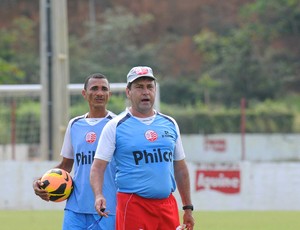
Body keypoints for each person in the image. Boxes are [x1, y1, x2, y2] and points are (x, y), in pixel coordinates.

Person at [90, 66, 195, 230]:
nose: (145, 92)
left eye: (149, 86)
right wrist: (98, 195)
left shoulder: (170, 123)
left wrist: (188, 207)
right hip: (133, 205)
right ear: (128, 92)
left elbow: (180, 168)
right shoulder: (115, 126)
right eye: (139, 87)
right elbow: (97, 168)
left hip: (167, 206)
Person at [33, 73, 117, 230]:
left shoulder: (117, 125)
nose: (99, 93)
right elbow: (66, 165)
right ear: (84, 94)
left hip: (107, 208)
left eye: (104, 89)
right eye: (94, 88)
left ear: (109, 94)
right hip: (75, 208)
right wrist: (41, 182)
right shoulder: (74, 124)